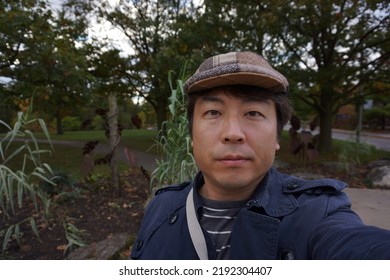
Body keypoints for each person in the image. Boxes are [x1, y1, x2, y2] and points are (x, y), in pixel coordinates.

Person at [130, 51, 390, 260]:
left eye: (253, 113)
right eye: (213, 113)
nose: (233, 133)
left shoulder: (318, 214)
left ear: (277, 136)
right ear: (192, 136)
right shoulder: (160, 207)